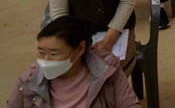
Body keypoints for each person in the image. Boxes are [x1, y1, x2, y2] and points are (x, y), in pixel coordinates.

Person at [7, 16, 139, 108]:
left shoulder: (106, 71)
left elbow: (130, 105)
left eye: (54, 54)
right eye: (41, 52)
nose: (45, 60)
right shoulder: (28, 81)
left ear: (80, 49)